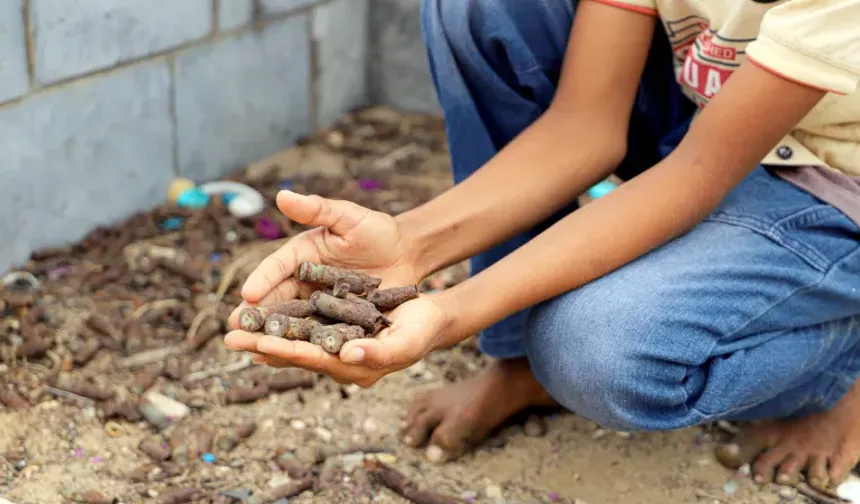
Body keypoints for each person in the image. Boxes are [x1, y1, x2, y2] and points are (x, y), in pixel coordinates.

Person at [225, 0, 860, 492]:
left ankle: (847, 368)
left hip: (832, 182)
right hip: (719, 120)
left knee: (599, 351)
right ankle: (517, 362)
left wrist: (452, 312)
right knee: (490, 9)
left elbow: (696, 174)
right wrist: (409, 248)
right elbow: (585, 123)